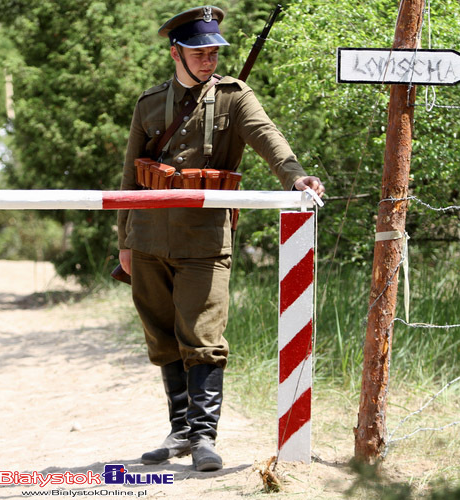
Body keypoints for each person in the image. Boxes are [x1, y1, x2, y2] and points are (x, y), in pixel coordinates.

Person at [117, 5, 325, 472]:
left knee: (204, 336)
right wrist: (125, 242)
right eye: (199, 51)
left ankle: (205, 437)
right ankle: (180, 434)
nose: (209, 58)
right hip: (148, 236)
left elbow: (267, 136)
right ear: (177, 53)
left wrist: (295, 178)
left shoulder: (235, 97)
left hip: (205, 239)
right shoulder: (149, 104)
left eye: (214, 51)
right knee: (163, 335)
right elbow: (130, 176)